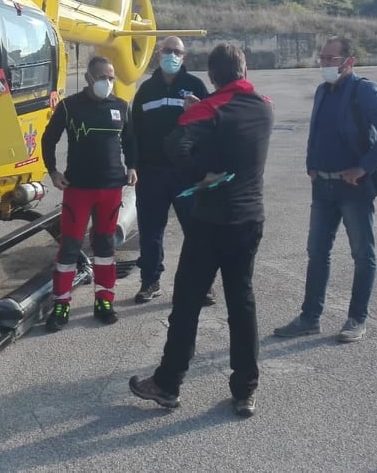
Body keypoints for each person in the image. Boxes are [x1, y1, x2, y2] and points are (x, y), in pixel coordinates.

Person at [129, 43, 273, 418]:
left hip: (211, 221)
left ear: (212, 76)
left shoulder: (208, 109)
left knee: (188, 302)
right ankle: (245, 390)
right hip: (249, 218)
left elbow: (175, 143)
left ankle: (168, 383)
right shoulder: (264, 105)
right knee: (242, 303)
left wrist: (198, 171)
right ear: (244, 70)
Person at [274, 37, 377, 343]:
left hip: (354, 189)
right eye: (322, 58)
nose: (325, 64)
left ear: (349, 62)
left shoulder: (364, 91)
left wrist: (364, 167)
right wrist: (310, 165)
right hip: (323, 186)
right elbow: (316, 131)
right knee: (317, 253)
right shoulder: (323, 91)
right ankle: (309, 318)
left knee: (362, 253)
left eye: (331, 59)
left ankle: (357, 318)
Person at [41, 55, 137, 332]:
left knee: (105, 247)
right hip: (78, 190)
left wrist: (132, 166)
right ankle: (61, 304)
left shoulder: (120, 106)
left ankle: (104, 301)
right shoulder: (70, 107)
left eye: (111, 77)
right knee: (69, 247)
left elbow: (131, 141)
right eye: (102, 77)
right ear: (88, 78)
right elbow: (49, 139)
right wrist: (53, 172)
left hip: (110, 189)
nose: (107, 82)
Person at [131, 35, 212, 304]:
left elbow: (211, 126)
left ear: (184, 57)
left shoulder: (195, 86)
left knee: (197, 230)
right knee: (151, 230)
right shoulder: (145, 90)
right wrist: (133, 165)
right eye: (167, 50)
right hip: (152, 174)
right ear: (158, 54)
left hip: (186, 174)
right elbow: (133, 133)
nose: (171, 56)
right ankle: (150, 281)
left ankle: (203, 284)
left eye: (177, 52)